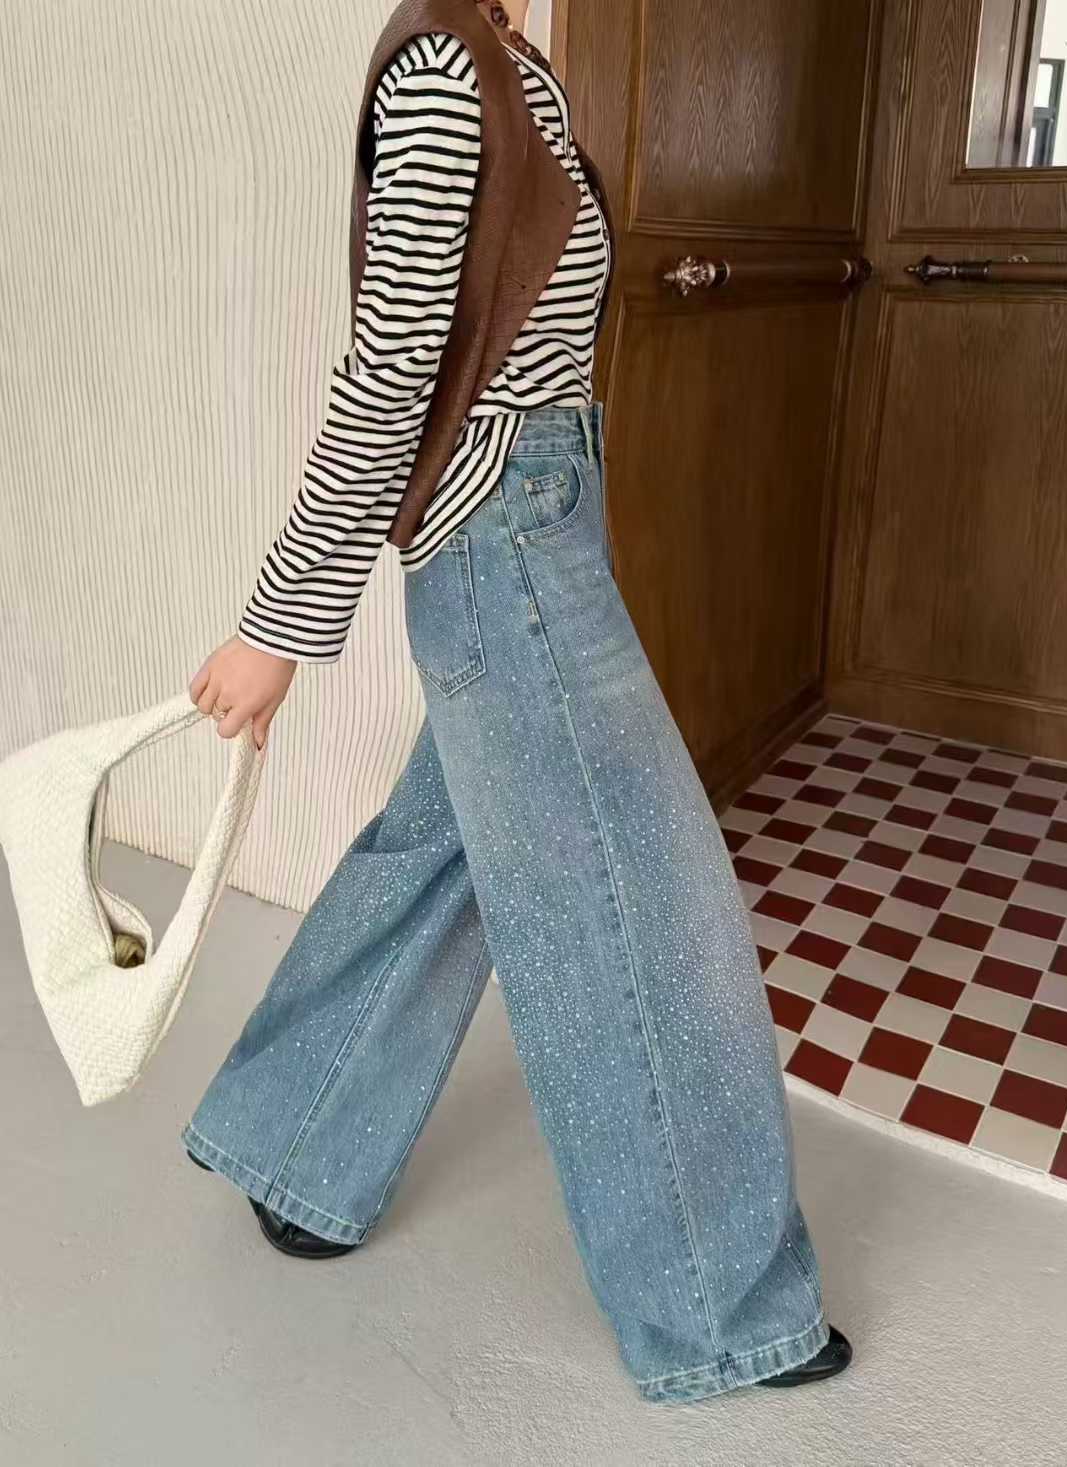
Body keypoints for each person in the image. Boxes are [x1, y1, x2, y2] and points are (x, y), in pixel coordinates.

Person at [183, 0, 851, 1405]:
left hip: (537, 525)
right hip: (509, 542)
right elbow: (392, 366)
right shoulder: (446, 65)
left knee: (454, 859)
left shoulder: (504, 53)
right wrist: (279, 628)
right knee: (639, 906)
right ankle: (716, 1308)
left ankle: (296, 1143)